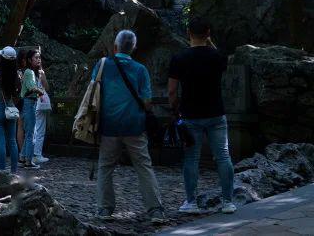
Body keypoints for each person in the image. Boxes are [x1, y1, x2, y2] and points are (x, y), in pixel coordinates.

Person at [92, 29, 166, 224]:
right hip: (135, 125)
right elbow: (147, 101)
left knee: (105, 167)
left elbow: (93, 94)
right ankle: (155, 210)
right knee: (143, 166)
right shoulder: (140, 69)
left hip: (108, 126)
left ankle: (104, 209)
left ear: (115, 47)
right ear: (134, 48)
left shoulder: (102, 65)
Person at [168, 17, 236, 215]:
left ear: (188, 33)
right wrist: (209, 41)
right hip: (216, 113)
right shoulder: (217, 57)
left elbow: (172, 90)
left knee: (191, 158)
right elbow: (220, 57)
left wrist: (174, 109)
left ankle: (191, 202)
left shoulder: (179, 58)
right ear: (208, 34)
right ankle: (228, 201)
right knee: (223, 156)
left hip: (190, 115)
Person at [18, 48, 42, 168]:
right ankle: (28, 161)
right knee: (31, 133)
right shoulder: (29, 72)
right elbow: (32, 87)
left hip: (28, 104)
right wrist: (41, 92)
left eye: (39, 57)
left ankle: (23, 157)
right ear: (29, 60)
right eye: (36, 58)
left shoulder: (30, 72)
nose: (38, 60)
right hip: (29, 103)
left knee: (29, 132)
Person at [34, 58, 51, 164]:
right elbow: (46, 86)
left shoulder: (27, 71)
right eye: (37, 58)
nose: (39, 59)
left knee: (32, 129)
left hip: (31, 102)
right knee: (40, 130)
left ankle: (30, 154)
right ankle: (37, 154)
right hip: (40, 102)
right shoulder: (40, 72)